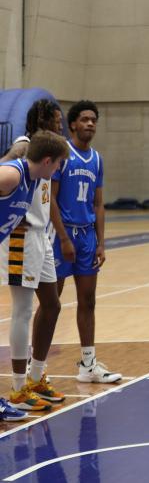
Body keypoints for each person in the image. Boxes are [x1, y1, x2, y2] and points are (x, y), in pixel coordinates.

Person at [1, 100, 67, 413]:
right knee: (24, 309)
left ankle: (36, 376)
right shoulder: (26, 147)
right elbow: (7, 165)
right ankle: (17, 387)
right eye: (57, 120)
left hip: (42, 236)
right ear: (42, 120)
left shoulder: (53, 151)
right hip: (20, 236)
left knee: (52, 305)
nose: (61, 125)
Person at [51, 100, 121, 383]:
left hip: (87, 237)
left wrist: (101, 242)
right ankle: (36, 366)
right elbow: (51, 199)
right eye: (84, 119)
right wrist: (64, 238)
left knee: (88, 300)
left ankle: (88, 364)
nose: (90, 123)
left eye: (94, 119)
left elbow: (99, 203)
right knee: (50, 303)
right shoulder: (62, 155)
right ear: (72, 125)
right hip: (60, 235)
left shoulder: (97, 159)